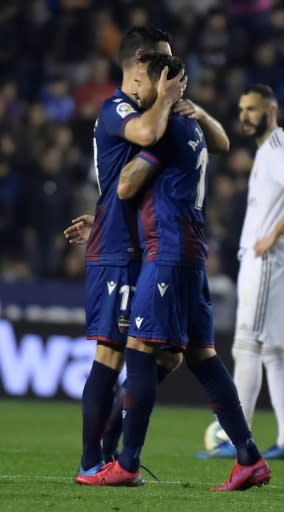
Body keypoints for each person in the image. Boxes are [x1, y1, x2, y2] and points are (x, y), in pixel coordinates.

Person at [77, 53, 271, 491]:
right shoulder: (193, 127)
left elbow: (127, 184)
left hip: (165, 251)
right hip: (191, 251)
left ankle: (125, 461)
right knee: (202, 355)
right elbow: (216, 146)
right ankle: (248, 456)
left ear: (164, 84)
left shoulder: (166, 130)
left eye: (148, 82)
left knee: (140, 347)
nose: (138, 91)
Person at [64, 26, 185, 483]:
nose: (171, 73)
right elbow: (150, 135)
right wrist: (169, 101)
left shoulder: (139, 108)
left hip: (138, 243)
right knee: (111, 355)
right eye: (164, 64)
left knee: (168, 356)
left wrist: (102, 216)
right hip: (118, 252)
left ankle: (113, 446)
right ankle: (93, 461)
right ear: (140, 63)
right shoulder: (118, 109)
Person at [199, 83, 284, 460]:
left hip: (270, 259)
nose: (245, 117)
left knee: (247, 344)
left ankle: (238, 437)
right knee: (276, 350)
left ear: (271, 111)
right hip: (278, 259)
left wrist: (272, 235)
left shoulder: (278, 148)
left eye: (252, 109)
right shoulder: (270, 151)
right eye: (242, 109)